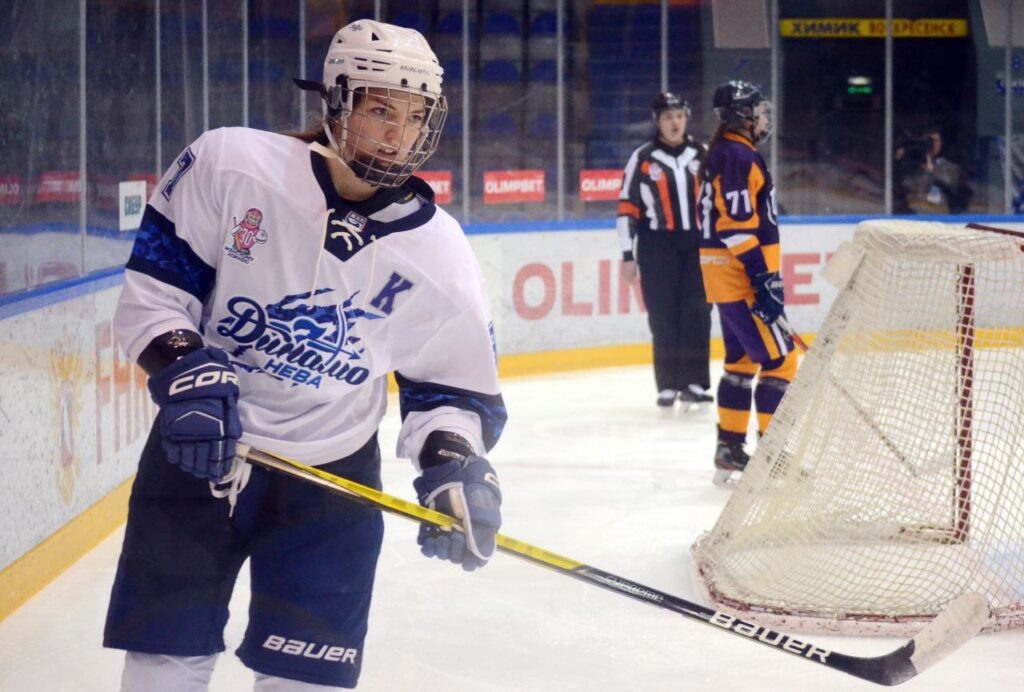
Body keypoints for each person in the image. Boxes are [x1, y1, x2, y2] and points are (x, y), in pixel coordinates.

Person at [103, 20, 507, 691]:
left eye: (414, 116)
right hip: (199, 453)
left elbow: (452, 393)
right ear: (336, 102)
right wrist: (186, 375)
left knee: (304, 683)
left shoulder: (442, 255)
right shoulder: (232, 167)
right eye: (381, 110)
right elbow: (155, 294)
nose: (397, 135)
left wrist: (452, 463)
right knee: (164, 661)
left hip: (331, 483)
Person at [697, 80, 798, 486]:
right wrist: (762, 277)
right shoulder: (738, 155)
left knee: (741, 363)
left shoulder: (725, 152)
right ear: (743, 114)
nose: (765, 118)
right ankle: (771, 458)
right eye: (760, 111)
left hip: (725, 276)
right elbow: (735, 226)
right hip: (740, 278)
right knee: (783, 362)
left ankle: (729, 448)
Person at [617, 91, 713, 411]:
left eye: (679, 116)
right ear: (657, 121)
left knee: (698, 312)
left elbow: (719, 205)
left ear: (686, 118)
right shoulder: (642, 158)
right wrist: (627, 255)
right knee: (663, 314)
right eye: (668, 117)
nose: (674, 122)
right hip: (656, 245)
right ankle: (668, 384)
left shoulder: (703, 153)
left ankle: (695, 382)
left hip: (698, 244)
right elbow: (626, 209)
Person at [894, 126, 972, 214]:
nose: (932, 144)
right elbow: (904, 188)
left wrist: (932, 171)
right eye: (929, 140)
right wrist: (899, 161)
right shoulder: (911, 165)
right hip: (914, 218)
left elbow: (958, 194)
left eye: (936, 141)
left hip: (940, 219)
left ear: (941, 143)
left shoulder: (951, 169)